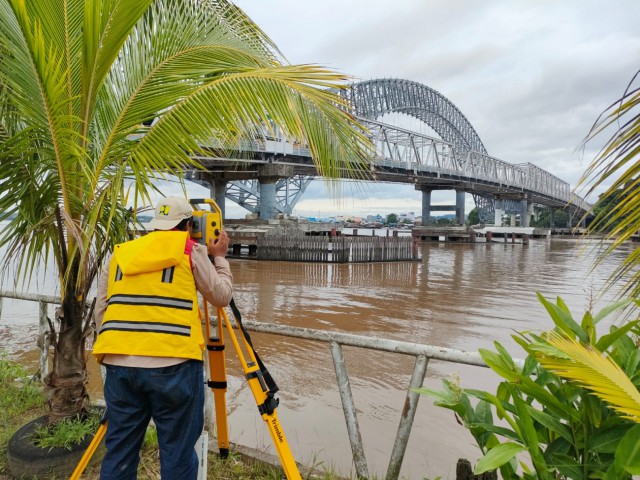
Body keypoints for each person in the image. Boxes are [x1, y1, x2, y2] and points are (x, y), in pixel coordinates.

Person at [93, 196, 233, 480]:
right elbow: (221, 296)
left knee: (119, 450)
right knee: (177, 452)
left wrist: (114, 353)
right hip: (174, 365)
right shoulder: (190, 250)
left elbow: (101, 309)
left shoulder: (121, 252)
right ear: (188, 225)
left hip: (119, 363)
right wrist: (219, 257)